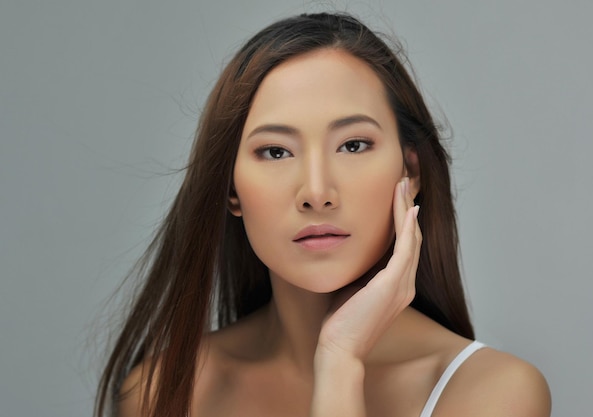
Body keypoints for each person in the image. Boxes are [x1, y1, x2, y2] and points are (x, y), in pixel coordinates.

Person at [95, 12, 551, 417]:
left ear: (410, 172)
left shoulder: (493, 395)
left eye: (353, 145)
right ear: (230, 188)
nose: (316, 193)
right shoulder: (160, 392)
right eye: (275, 151)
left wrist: (339, 360)